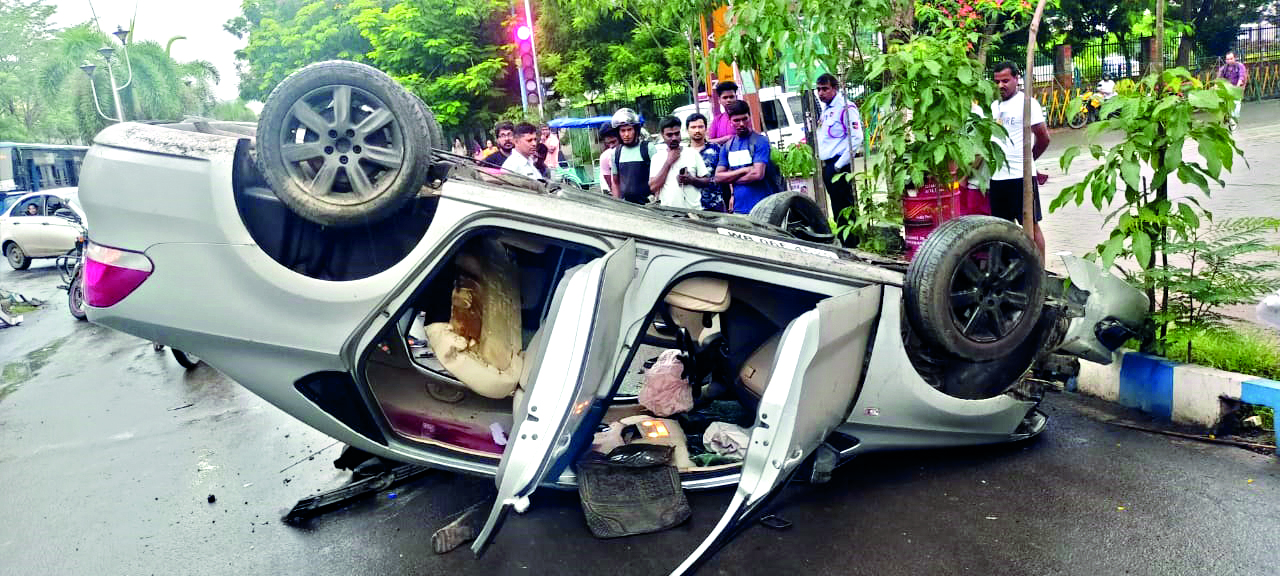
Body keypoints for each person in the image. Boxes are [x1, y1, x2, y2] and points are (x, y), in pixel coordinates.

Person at [988, 62, 1050, 259]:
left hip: (1020, 178)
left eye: (1005, 81)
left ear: (1016, 79)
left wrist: (1029, 162)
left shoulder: (1027, 104)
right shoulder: (994, 106)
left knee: (1030, 224)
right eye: (997, 81)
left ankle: (1040, 270)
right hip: (997, 178)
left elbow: (1043, 138)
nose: (1001, 86)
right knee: (1002, 227)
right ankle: (1012, 268)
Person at [815, 73, 864, 227]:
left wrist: (838, 165)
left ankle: (851, 243)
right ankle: (845, 241)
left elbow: (856, 138)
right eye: (818, 89)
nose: (821, 93)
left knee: (844, 206)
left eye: (825, 89)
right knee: (836, 206)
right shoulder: (826, 109)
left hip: (838, 165)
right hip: (828, 164)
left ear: (835, 89)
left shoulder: (845, 108)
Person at [715, 100, 773, 214]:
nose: (741, 124)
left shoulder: (760, 141)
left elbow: (757, 174)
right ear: (730, 121)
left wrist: (730, 178)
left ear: (749, 118)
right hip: (739, 208)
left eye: (744, 119)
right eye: (736, 120)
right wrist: (744, 170)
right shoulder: (727, 147)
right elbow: (718, 177)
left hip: (763, 208)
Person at [648, 116, 707, 210]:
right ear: (662, 135)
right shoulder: (657, 158)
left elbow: (706, 181)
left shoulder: (692, 153)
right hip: (670, 213)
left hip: (694, 211)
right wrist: (668, 162)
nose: (674, 138)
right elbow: (653, 187)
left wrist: (691, 180)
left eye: (677, 133)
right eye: (669, 135)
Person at [611, 108, 659, 204]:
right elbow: (616, 182)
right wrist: (617, 204)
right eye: (623, 131)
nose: (626, 134)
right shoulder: (616, 152)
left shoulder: (648, 148)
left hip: (649, 205)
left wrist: (656, 199)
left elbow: (658, 178)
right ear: (618, 133)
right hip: (627, 206)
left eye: (629, 130)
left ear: (636, 130)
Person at [682, 112, 725, 212]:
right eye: (693, 127)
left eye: (700, 127)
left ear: (706, 129)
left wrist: (732, 195)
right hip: (691, 206)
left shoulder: (716, 150)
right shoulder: (682, 153)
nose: (697, 130)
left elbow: (725, 174)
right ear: (687, 130)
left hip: (714, 203)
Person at [1218, 51, 1248, 125]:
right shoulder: (1224, 68)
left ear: (1235, 58)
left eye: (1231, 59)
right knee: (1225, 104)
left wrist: (1237, 88)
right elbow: (1219, 79)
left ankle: (1234, 119)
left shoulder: (1240, 66)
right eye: (1227, 59)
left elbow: (1241, 78)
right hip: (1227, 89)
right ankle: (1227, 117)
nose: (1229, 61)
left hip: (1237, 89)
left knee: (1236, 104)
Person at [707, 81, 739, 145]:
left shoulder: (743, 117)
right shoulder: (717, 120)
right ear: (719, 100)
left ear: (736, 97)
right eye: (725, 97)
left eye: (731, 97)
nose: (728, 100)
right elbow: (708, 141)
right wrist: (726, 138)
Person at [598, 125, 620, 196]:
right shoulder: (605, 157)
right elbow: (611, 184)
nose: (611, 146)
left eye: (613, 142)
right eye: (608, 143)